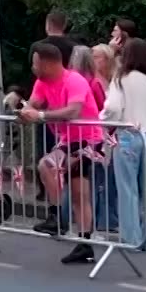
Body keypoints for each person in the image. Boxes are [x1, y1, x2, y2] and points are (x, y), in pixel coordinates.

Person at [20, 40, 106, 264]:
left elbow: (73, 110)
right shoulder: (42, 81)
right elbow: (32, 104)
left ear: (47, 64)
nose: (33, 67)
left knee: (48, 166)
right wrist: (20, 108)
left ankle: (59, 219)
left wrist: (39, 116)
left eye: (35, 63)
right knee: (77, 191)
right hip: (69, 139)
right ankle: (82, 241)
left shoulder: (74, 80)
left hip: (88, 138)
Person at [102, 38, 146, 251]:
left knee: (127, 189)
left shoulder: (122, 78)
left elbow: (112, 107)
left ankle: (132, 238)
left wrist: (102, 119)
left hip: (129, 134)